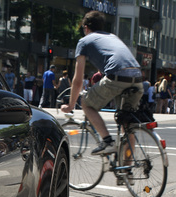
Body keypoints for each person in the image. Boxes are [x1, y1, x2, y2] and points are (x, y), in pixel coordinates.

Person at [61, 11, 143, 155]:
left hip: (118, 76)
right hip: (137, 76)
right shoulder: (112, 37)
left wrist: (71, 105)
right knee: (127, 124)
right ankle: (128, 171)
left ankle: (107, 141)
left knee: (87, 103)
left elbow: (78, 79)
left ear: (86, 28)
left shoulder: (84, 41)